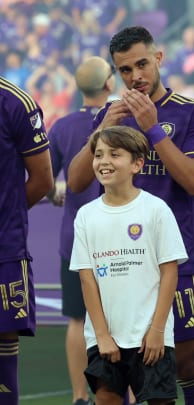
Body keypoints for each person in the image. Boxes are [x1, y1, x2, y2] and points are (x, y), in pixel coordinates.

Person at [66, 26, 194, 405]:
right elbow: (75, 181)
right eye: (125, 70)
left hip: (173, 259)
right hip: (117, 263)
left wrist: (152, 128)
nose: (136, 76)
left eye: (142, 64)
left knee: (188, 361)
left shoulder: (190, 113)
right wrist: (103, 128)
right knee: (116, 372)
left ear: (159, 58)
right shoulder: (109, 114)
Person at [69, 126, 186, 405]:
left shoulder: (156, 209)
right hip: (106, 338)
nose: (104, 161)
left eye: (114, 154)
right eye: (98, 155)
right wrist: (102, 336)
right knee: (107, 398)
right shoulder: (86, 216)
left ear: (137, 163)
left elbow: (169, 272)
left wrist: (157, 331)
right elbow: (87, 279)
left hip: (151, 338)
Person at [47, 56, 115, 405]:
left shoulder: (61, 126)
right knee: (122, 318)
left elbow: (45, 177)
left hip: (75, 239)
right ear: (109, 83)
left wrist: (53, 193)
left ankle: (78, 397)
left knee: (77, 319)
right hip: (120, 239)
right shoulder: (122, 120)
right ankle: (126, 392)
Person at [0, 75, 53, 405]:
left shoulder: (15, 102)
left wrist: (6, 216)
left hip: (3, 250)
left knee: (3, 354)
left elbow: (42, 179)